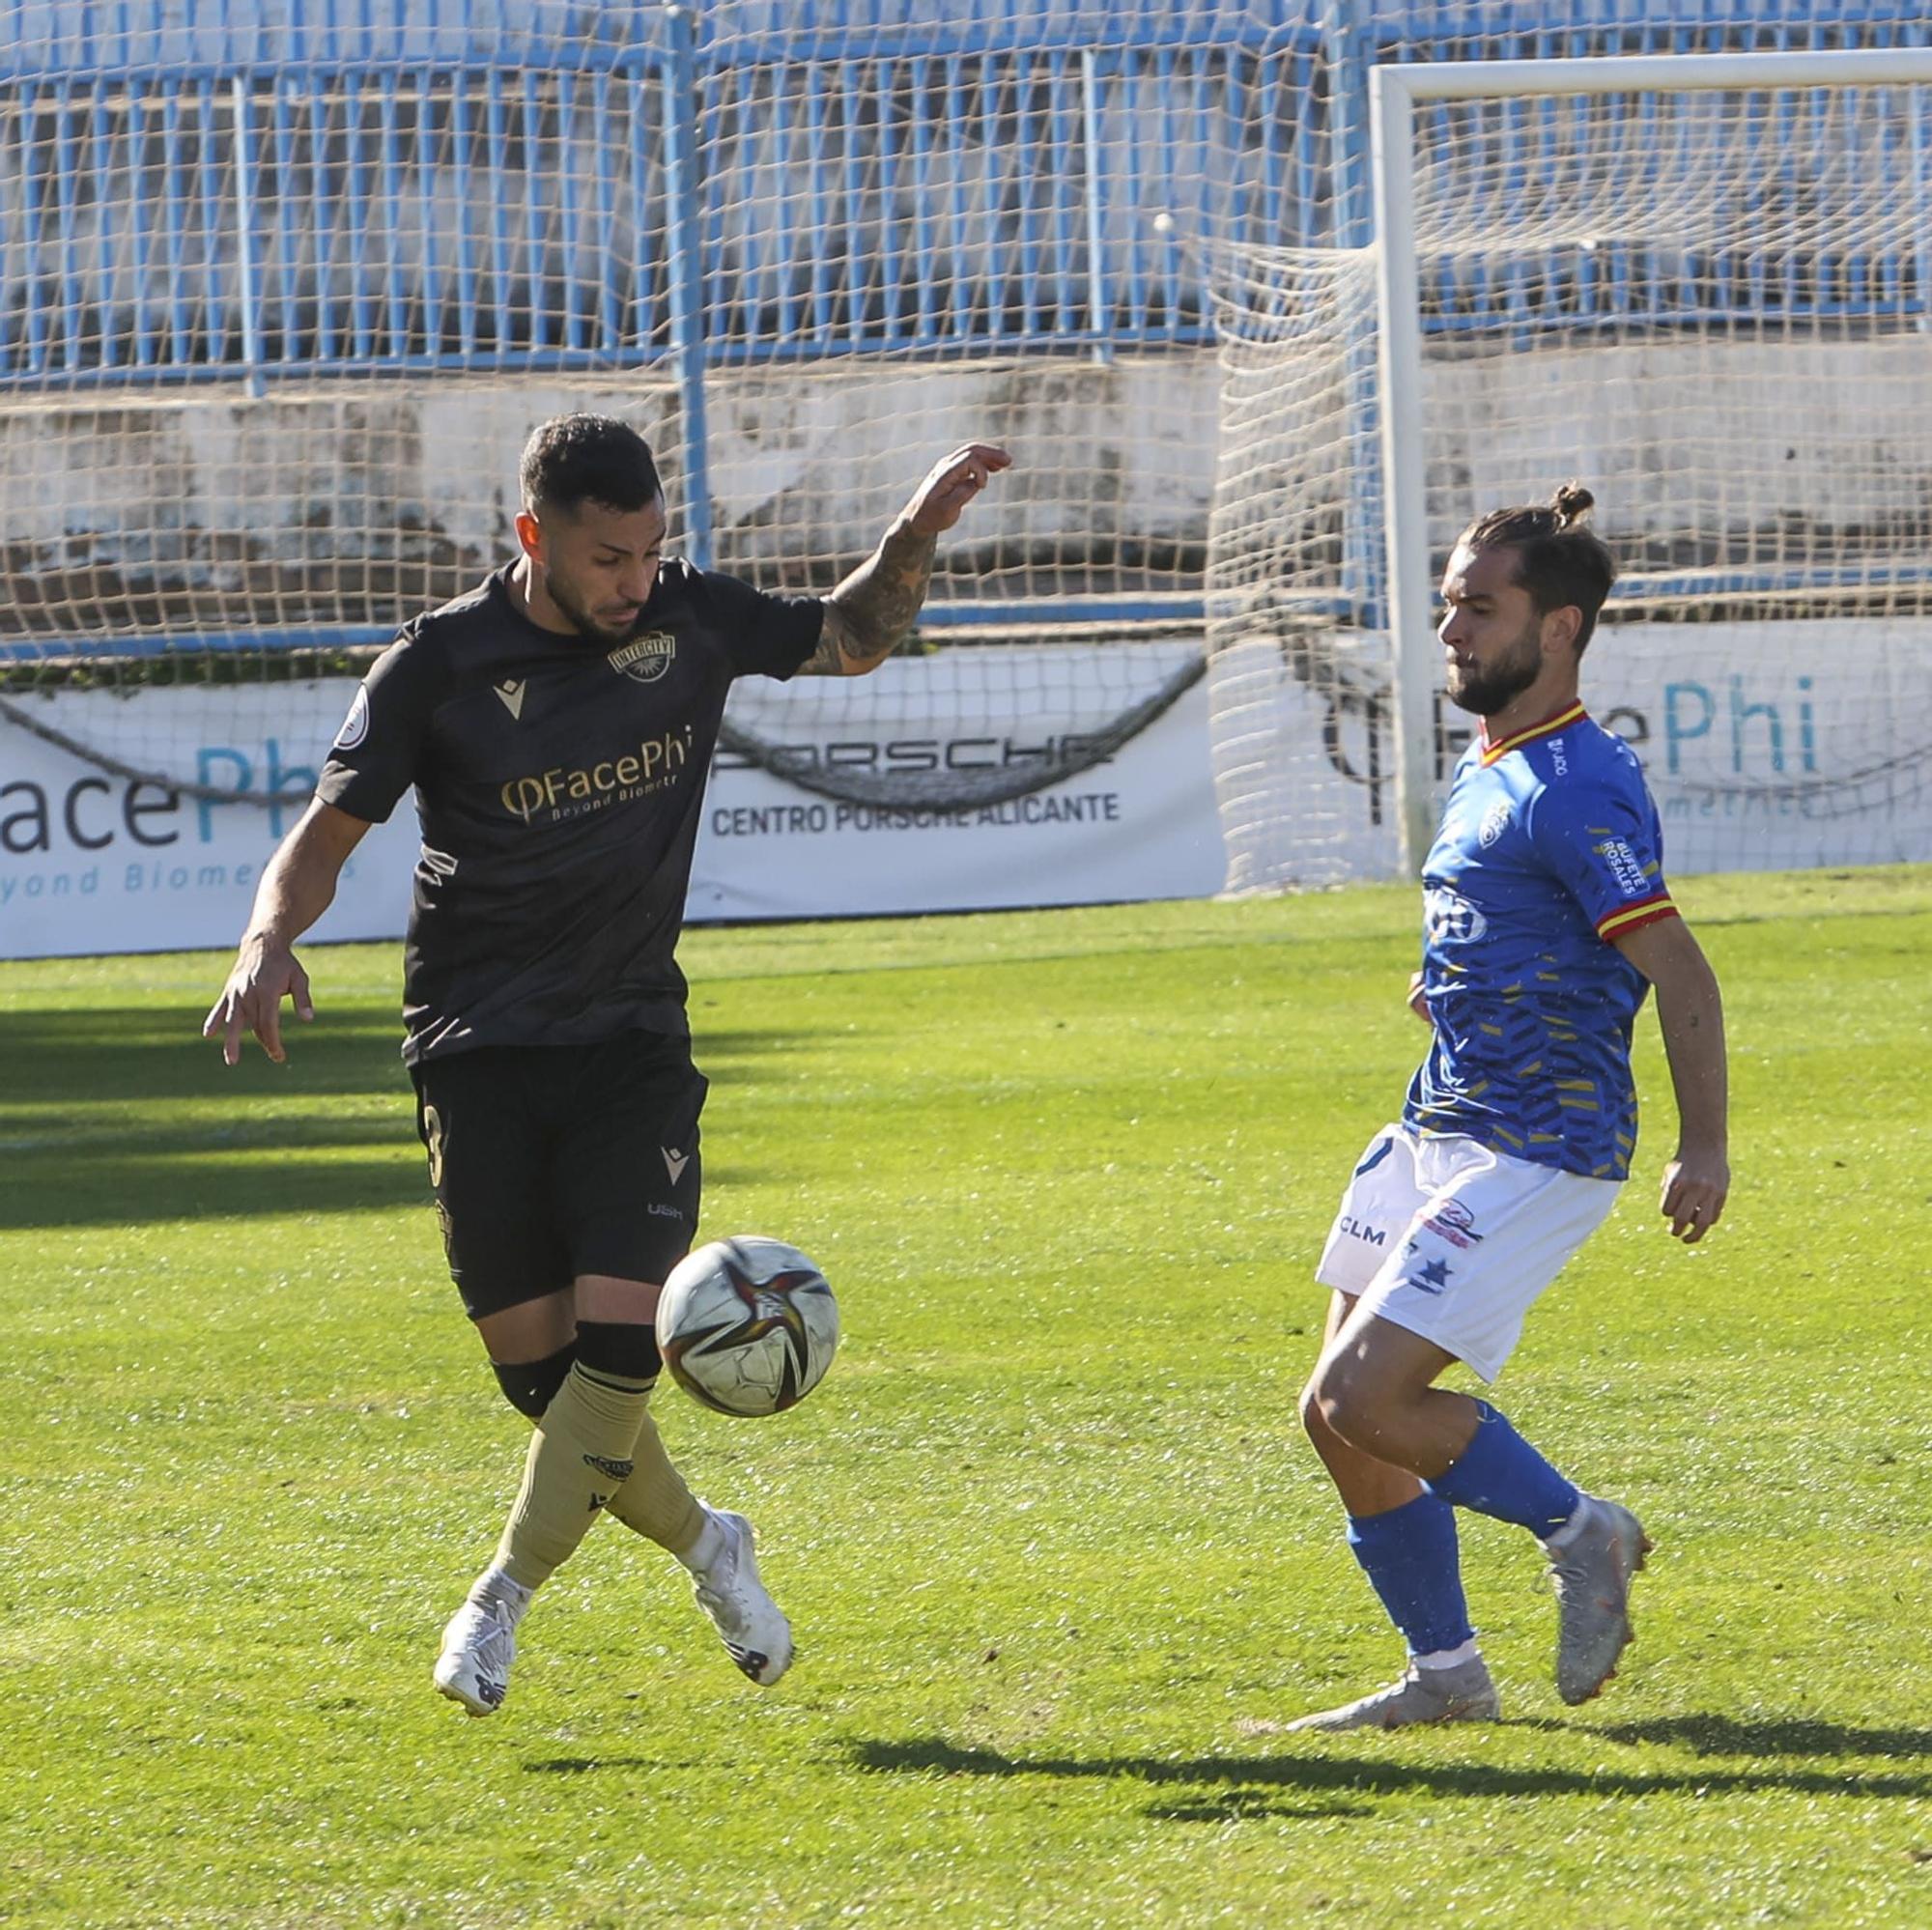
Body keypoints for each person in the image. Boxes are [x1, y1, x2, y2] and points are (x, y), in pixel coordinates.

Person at [204, 415, 1010, 1717]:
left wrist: (915, 535)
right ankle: (709, 1542)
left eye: (647, 551)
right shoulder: (439, 666)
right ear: (534, 538)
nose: (636, 579)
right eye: (607, 556)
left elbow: (850, 637)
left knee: (622, 1346)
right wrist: (265, 937)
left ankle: (499, 1596)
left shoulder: (686, 621)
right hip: (472, 1045)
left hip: (631, 1040)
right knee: (544, 1378)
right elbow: (326, 828)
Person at [1288, 484, 1728, 1731]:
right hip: (1440, 1122)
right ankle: (1448, 1676)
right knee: (1334, 1414)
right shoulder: (1492, 768)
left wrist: (1706, 1146)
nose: (1453, 632)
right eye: (1448, 609)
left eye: (1481, 608)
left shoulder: (1578, 780)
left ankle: (1584, 1530)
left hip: (1542, 1144)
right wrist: (1461, 986)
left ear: (1565, 626)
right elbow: (1534, 934)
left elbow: (1680, 972)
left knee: (1366, 1397)